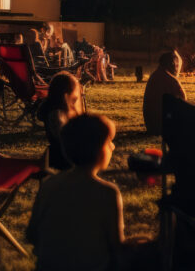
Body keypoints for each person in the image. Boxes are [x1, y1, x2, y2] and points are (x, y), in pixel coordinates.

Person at [27, 113, 124, 271]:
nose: (113, 147)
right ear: (100, 149)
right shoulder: (107, 193)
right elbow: (116, 246)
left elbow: (31, 234)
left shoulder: (49, 185)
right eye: (109, 142)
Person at [39, 72, 84, 171]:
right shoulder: (56, 113)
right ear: (65, 94)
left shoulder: (64, 110)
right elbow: (62, 137)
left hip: (65, 152)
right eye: (74, 92)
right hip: (62, 156)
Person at [142, 50, 186, 135]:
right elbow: (183, 102)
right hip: (164, 125)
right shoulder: (171, 81)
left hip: (151, 125)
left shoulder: (154, 77)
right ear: (173, 64)